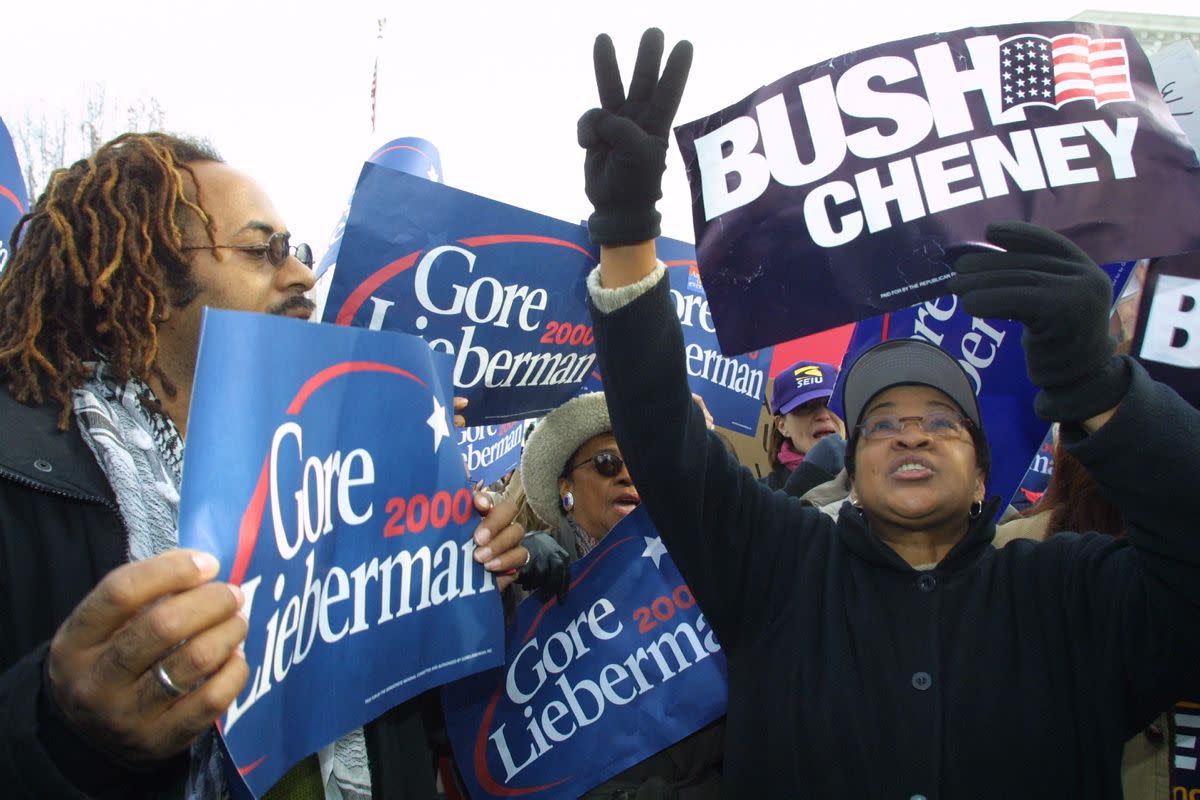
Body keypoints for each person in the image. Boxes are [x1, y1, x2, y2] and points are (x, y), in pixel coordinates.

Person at [574, 28, 1200, 798]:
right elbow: (663, 434)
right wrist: (628, 232)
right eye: (880, 422)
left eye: (942, 422)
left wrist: (1099, 383)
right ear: (855, 478)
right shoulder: (779, 571)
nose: (909, 429)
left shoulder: (1073, 596)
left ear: (983, 481)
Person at [0, 132, 535, 799]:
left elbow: (407, 719)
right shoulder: (24, 481)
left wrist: (461, 585)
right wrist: (62, 733)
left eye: (297, 251)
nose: (303, 277)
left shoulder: (344, 469)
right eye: (262, 251)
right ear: (146, 281)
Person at [515, 390, 723, 799]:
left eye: (642, 463)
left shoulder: (700, 567)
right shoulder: (526, 588)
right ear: (565, 487)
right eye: (609, 463)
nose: (629, 476)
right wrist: (500, 582)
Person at [762, 360, 846, 491]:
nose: (823, 415)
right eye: (805, 407)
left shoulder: (871, 485)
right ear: (782, 426)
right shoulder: (763, 496)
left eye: (830, 403)